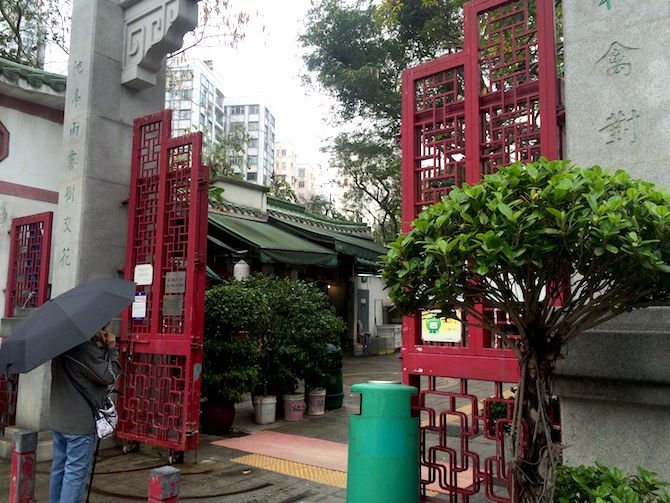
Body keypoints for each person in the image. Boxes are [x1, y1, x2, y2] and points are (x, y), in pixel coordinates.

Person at [48, 324, 121, 503]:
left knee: (59, 469)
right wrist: (111, 349)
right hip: (79, 424)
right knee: (74, 473)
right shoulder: (84, 350)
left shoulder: (62, 345)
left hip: (59, 419)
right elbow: (110, 375)